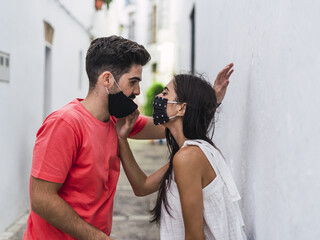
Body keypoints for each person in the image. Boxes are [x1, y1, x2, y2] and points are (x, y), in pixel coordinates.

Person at [23, 35, 233, 240]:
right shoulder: (66, 124)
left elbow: (177, 123)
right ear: (107, 79)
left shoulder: (119, 122)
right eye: (133, 82)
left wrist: (208, 101)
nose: (138, 91)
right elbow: (41, 198)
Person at [116, 74, 247, 239]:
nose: (158, 97)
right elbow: (142, 186)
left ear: (181, 108)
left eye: (165, 94)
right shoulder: (191, 154)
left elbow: (194, 236)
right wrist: (122, 138)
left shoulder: (188, 158)